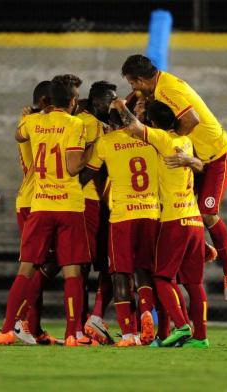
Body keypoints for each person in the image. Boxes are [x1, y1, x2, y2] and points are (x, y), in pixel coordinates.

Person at [121, 54, 227, 300]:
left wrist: (173, 139)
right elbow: (133, 98)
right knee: (181, 203)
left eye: (133, 84)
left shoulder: (167, 90)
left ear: (142, 79)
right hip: (199, 155)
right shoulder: (158, 86)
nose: (133, 89)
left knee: (207, 212)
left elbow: (191, 119)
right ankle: (202, 247)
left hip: (218, 154)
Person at [0, 74, 95, 346]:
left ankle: (6, 330)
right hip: (69, 205)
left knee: (26, 269)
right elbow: (72, 166)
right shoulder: (76, 124)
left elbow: (18, 133)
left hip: (41, 204)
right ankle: (73, 334)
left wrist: (32, 115)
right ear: (72, 102)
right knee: (72, 270)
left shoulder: (33, 122)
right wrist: (90, 153)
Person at [112, 98, 210, 348]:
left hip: (174, 220)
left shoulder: (162, 139)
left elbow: (133, 127)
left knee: (162, 278)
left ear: (154, 122)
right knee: (195, 283)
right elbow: (200, 166)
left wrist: (121, 105)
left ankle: (182, 326)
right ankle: (201, 337)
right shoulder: (185, 141)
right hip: (195, 220)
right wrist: (189, 161)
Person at [80, 107, 160, 347]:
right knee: (144, 269)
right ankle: (146, 310)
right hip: (151, 212)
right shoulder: (151, 138)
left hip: (122, 215)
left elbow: (87, 174)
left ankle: (127, 335)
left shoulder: (106, 142)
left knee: (120, 274)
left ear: (112, 126)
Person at [15, 80, 61, 345]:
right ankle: (20, 322)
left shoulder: (29, 122)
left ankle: (33, 326)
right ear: (46, 102)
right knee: (42, 264)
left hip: (38, 200)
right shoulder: (36, 125)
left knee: (41, 264)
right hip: (35, 200)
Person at [77, 81, 117, 344]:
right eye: (108, 100)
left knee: (105, 265)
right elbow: (88, 172)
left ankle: (90, 322)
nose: (112, 105)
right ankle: (83, 324)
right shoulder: (87, 124)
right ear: (95, 101)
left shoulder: (91, 120)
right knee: (80, 266)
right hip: (89, 202)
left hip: (102, 204)